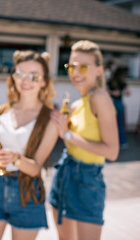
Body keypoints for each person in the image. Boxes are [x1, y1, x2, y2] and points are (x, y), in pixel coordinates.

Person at [0, 50, 58, 240]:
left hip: (27, 192)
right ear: (13, 77)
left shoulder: (50, 118)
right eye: (19, 74)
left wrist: (16, 159)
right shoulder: (0, 111)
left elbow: (36, 167)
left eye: (34, 76)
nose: (25, 80)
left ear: (44, 81)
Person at [49, 40, 119, 240]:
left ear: (98, 70)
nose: (75, 72)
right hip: (65, 172)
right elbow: (73, 144)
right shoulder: (77, 103)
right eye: (71, 66)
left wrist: (69, 135)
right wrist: (63, 131)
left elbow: (112, 152)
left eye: (82, 67)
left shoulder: (100, 98)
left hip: (87, 180)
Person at [107, 67, 130, 149]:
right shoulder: (122, 82)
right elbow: (128, 93)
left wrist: (112, 92)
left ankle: (110, 142)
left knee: (110, 124)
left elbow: (104, 91)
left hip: (110, 103)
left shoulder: (110, 81)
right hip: (118, 103)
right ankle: (122, 142)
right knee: (120, 123)